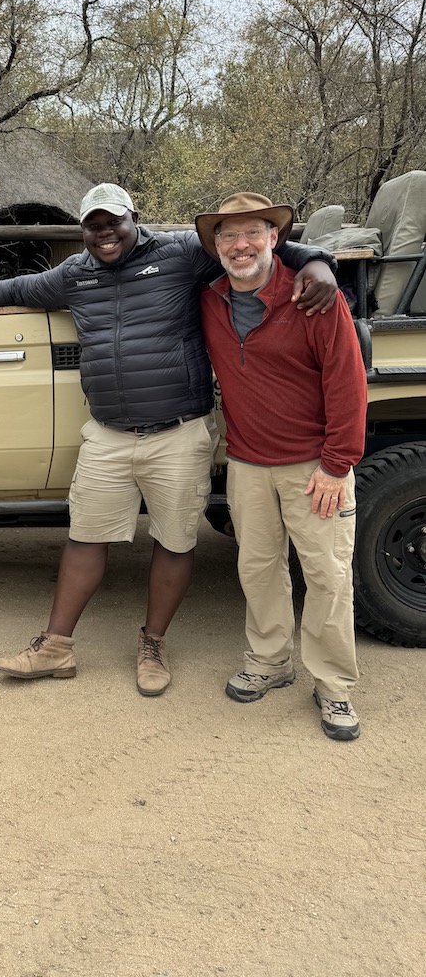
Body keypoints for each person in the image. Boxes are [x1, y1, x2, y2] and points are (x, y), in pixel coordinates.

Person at [0, 183, 337, 695]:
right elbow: (19, 288)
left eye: (113, 222)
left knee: (174, 539)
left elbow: (252, 248)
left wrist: (319, 262)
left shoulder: (182, 253)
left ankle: (153, 644)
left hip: (178, 433)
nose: (105, 234)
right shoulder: (75, 274)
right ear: (84, 231)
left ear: (133, 218)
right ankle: (55, 646)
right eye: (93, 226)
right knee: (84, 536)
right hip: (108, 434)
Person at [196, 192, 367, 740]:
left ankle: (334, 685)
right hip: (246, 462)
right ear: (215, 244)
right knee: (258, 568)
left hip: (315, 466)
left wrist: (338, 466)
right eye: (228, 235)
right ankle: (270, 660)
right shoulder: (211, 299)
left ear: (276, 238)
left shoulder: (314, 299)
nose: (240, 245)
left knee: (327, 577)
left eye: (253, 233)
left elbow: (347, 382)